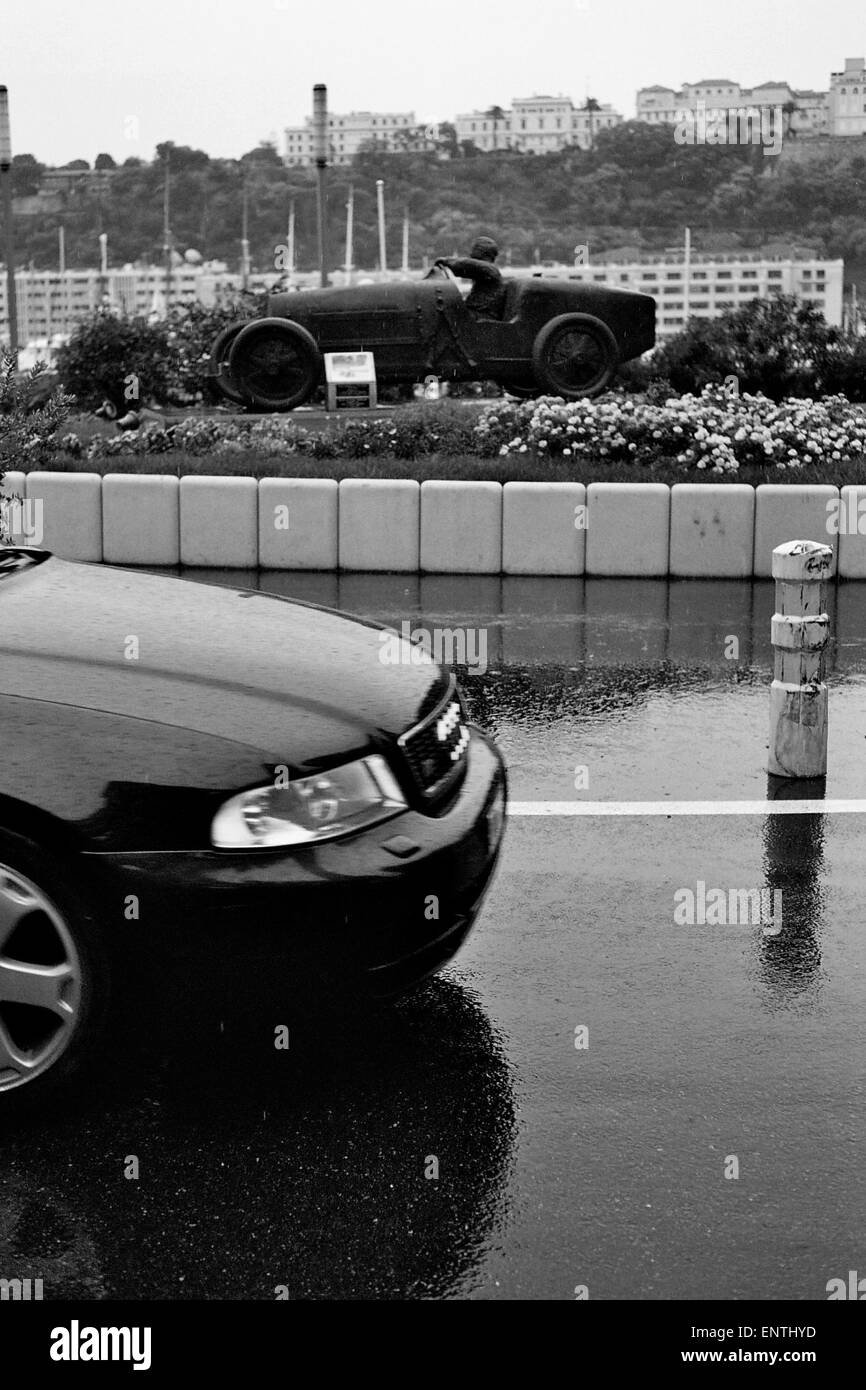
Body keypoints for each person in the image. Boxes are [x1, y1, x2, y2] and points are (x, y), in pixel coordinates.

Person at [434, 236, 506, 320]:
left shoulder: (489, 269)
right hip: (477, 314)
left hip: (483, 317)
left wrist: (446, 261)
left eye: (475, 248)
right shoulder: (485, 270)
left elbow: (464, 265)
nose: (471, 253)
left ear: (483, 251)